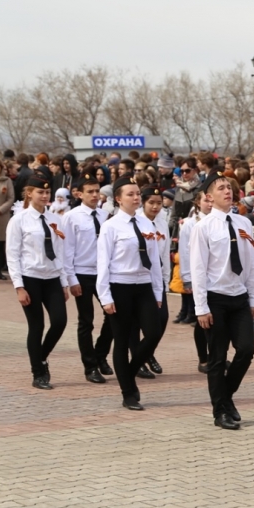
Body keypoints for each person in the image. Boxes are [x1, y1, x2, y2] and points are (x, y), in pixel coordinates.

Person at [190, 173, 254, 430]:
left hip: (239, 296)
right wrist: (201, 307)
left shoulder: (244, 222)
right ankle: (220, 411)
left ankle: (226, 396)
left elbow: (251, 263)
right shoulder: (203, 227)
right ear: (209, 196)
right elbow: (198, 269)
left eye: (229, 187)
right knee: (218, 358)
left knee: (246, 350)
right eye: (221, 188)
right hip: (215, 298)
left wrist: (253, 298)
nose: (227, 191)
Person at [97, 175, 164, 411]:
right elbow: (103, 263)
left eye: (138, 194)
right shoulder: (110, 226)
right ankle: (128, 392)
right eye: (131, 194)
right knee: (123, 340)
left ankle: (129, 372)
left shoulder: (147, 224)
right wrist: (105, 296)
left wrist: (158, 292)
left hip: (144, 286)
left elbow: (155, 261)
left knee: (154, 333)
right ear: (118, 199)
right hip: (119, 286)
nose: (136, 198)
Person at [6, 173, 70, 390]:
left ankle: (41, 356)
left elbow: (60, 253)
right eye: (40, 192)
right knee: (37, 326)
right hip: (30, 278)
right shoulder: (19, 220)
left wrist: (64, 282)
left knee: (60, 321)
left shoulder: (55, 219)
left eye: (47, 192)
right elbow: (12, 255)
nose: (44, 196)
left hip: (51, 277)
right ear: (29, 193)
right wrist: (19, 287)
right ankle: (38, 372)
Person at [62, 172, 113, 384]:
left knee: (113, 316)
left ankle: (100, 355)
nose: (94, 195)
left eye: (97, 191)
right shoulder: (71, 217)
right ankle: (90, 366)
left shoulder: (105, 216)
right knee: (86, 321)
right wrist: (71, 279)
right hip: (82, 273)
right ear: (79, 194)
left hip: (103, 273)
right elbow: (67, 250)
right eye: (89, 192)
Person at [137, 186, 171, 377]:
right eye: (151, 203)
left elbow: (165, 253)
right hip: (140, 274)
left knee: (162, 318)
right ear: (143, 203)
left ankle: (147, 353)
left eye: (159, 203)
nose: (156, 207)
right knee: (139, 321)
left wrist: (165, 278)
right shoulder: (137, 221)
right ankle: (138, 358)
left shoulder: (162, 223)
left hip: (157, 276)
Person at [179, 191, 214, 372]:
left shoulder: (218, 222)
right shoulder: (190, 224)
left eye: (211, 200)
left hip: (216, 279)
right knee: (202, 318)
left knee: (214, 319)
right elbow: (185, 253)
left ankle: (215, 356)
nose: (209, 204)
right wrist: (187, 278)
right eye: (205, 201)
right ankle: (203, 358)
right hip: (197, 278)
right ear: (197, 203)